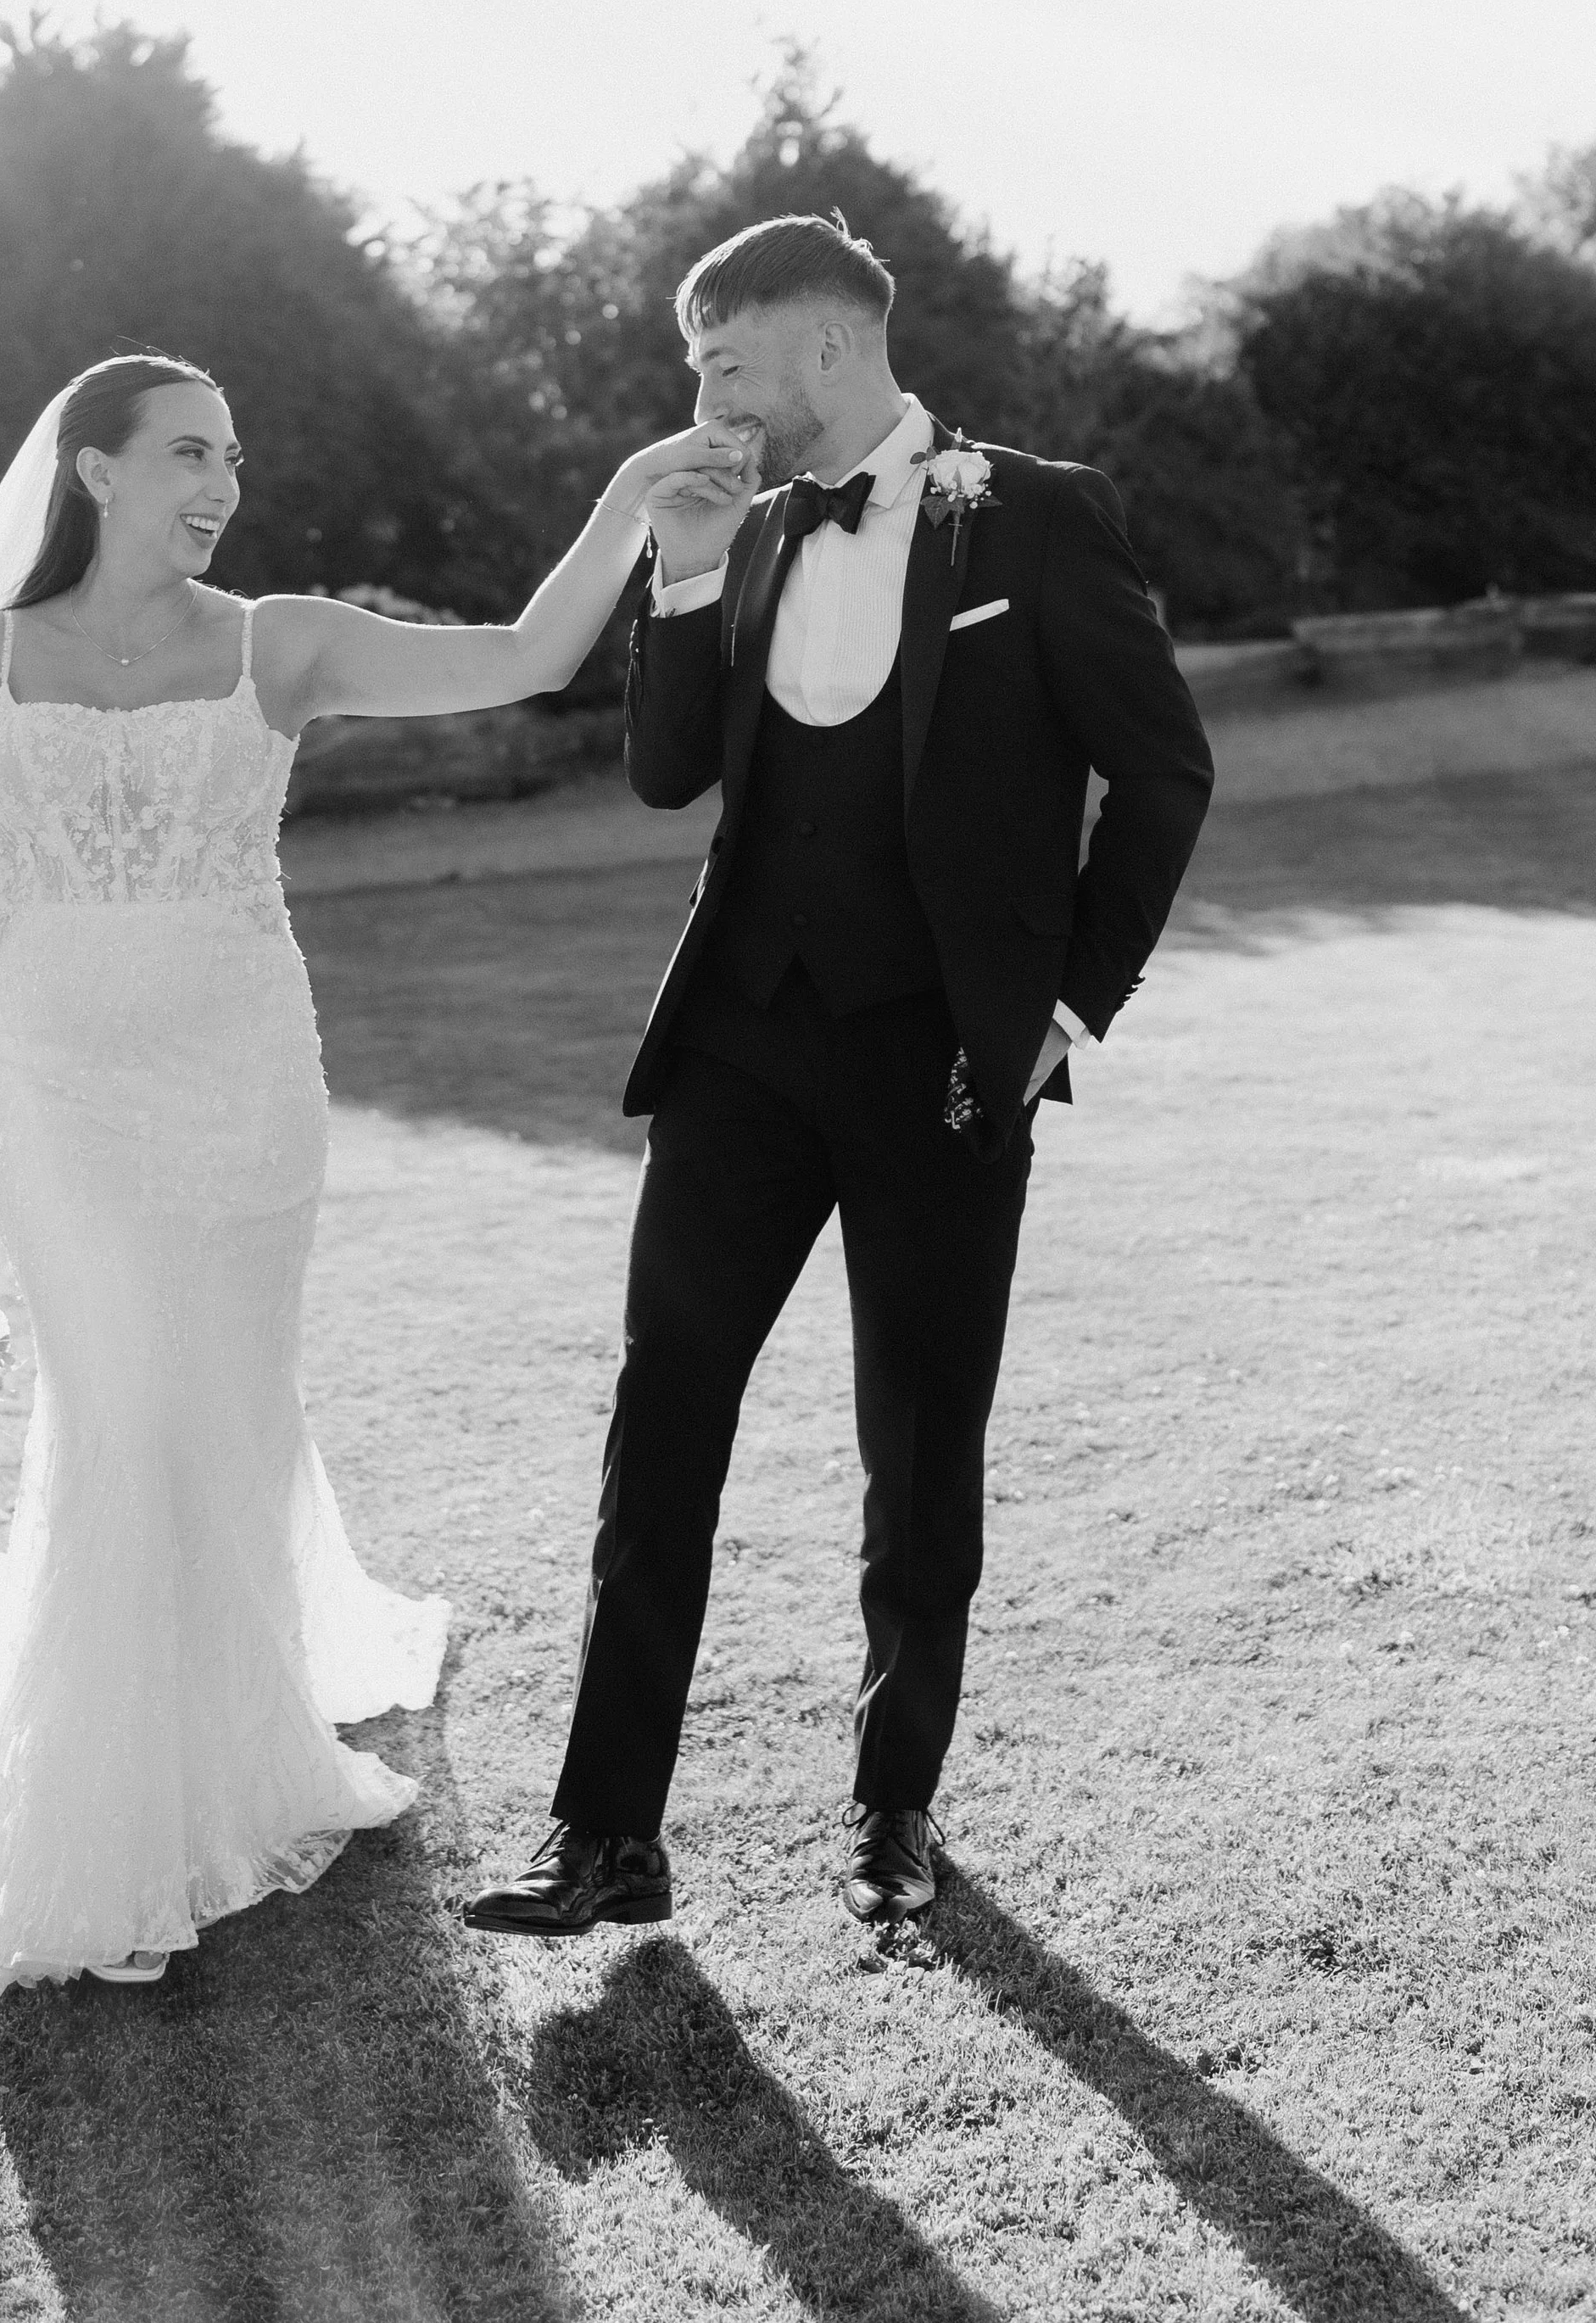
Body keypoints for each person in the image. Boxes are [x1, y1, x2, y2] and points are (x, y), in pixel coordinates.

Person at [0, 349, 740, 1995]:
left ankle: (245, 1745)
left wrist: (630, 499)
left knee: (219, 1403)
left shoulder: (278, 639)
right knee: (122, 1412)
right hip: (51, 1081)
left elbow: (527, 656)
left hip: (242, 1079)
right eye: (187, 453)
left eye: (233, 457)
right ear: (92, 469)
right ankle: (103, 1812)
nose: (220, 485)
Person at [465, 214, 1214, 1939]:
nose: (703, 398)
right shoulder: (743, 526)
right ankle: (604, 1835)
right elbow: (664, 777)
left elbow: (1160, 774)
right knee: (663, 1415)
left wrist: (1067, 1011)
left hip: (945, 1059)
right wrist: (674, 570)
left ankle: (891, 1812)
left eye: (719, 362)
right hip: (740, 1040)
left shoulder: (1035, 513)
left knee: (916, 1441)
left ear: (816, 346)